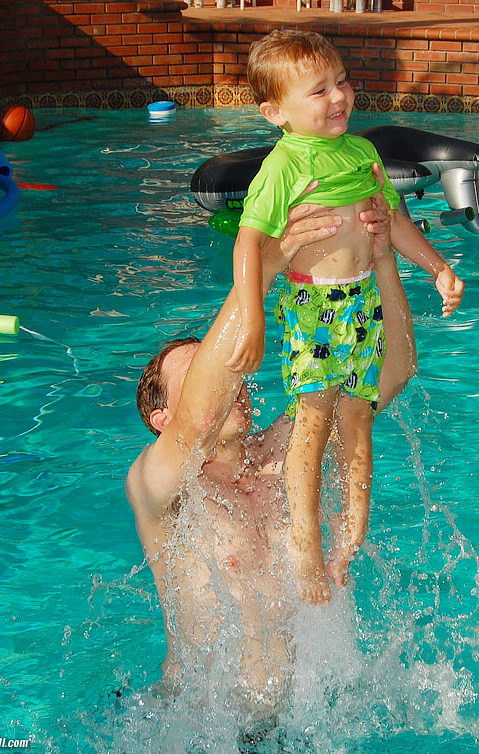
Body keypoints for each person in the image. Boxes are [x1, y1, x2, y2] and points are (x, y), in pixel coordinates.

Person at [126, 196, 417, 716]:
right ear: (160, 420)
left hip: (310, 717)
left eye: (232, 373)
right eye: (205, 378)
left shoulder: (291, 450)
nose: (229, 385)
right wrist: (266, 265)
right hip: (201, 723)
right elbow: (197, 425)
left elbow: (393, 373)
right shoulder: (159, 486)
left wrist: (384, 260)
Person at [226, 30, 464, 604]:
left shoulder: (362, 154)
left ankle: (351, 532)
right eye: (318, 91)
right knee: (311, 421)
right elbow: (247, 243)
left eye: (342, 83)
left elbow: (395, 219)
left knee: (358, 415)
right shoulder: (283, 166)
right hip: (313, 303)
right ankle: (305, 544)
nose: (338, 97)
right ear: (274, 112)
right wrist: (253, 317)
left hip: (362, 301)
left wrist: (437, 268)